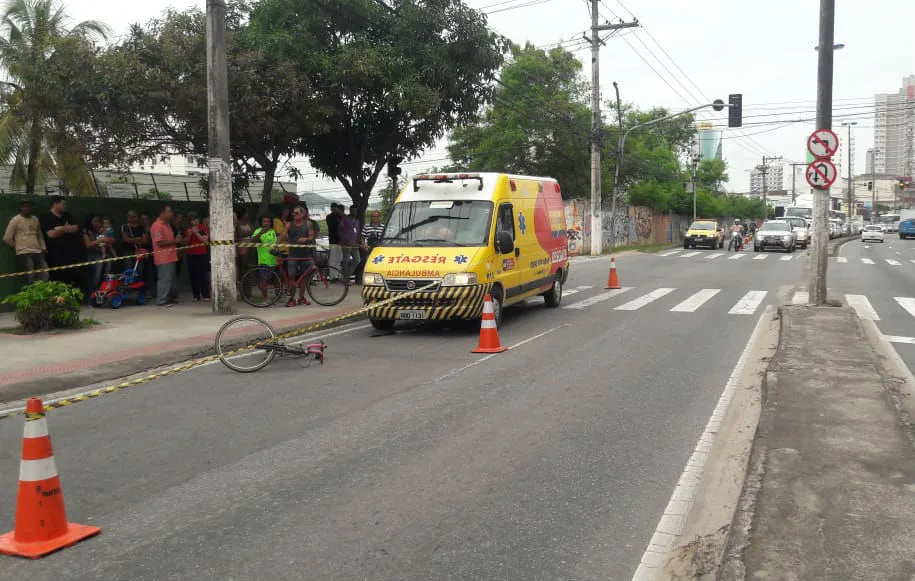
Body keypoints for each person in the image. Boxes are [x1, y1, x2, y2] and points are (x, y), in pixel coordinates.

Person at [40, 196, 84, 291]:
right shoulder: (46, 217)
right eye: (63, 204)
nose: (65, 206)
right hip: (54, 255)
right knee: (56, 279)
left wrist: (59, 229)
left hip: (69, 254)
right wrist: (64, 229)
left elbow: (75, 228)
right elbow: (51, 234)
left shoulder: (67, 216)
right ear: (55, 204)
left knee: (70, 278)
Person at [3, 200, 48, 284]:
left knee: (44, 274)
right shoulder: (16, 220)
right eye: (26, 206)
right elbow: (6, 239)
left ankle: (43, 295)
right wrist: (19, 247)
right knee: (30, 277)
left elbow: (39, 235)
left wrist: (43, 247)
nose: (29, 208)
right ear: (21, 207)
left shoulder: (35, 219)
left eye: (31, 206)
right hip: (24, 253)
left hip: (37, 252)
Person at [150, 205, 184, 307]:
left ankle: (170, 298)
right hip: (163, 258)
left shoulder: (167, 225)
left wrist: (176, 240)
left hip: (171, 256)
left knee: (171, 279)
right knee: (164, 279)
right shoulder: (157, 226)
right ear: (162, 212)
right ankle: (161, 300)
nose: (171, 213)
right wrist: (175, 241)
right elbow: (160, 242)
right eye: (169, 211)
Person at [283, 206, 315, 307]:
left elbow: (311, 236)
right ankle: (292, 299)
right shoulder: (289, 224)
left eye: (296, 213)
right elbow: (283, 235)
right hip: (293, 255)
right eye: (293, 213)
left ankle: (301, 298)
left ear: (303, 214)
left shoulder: (308, 224)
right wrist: (276, 244)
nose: (294, 215)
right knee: (291, 277)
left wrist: (306, 239)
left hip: (305, 254)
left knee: (304, 278)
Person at [121, 210, 153, 297]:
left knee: (140, 272)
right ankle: (128, 292)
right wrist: (138, 239)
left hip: (138, 252)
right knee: (128, 271)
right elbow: (125, 239)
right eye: (129, 216)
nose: (131, 218)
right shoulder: (124, 227)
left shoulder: (141, 228)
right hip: (128, 252)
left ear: (137, 217)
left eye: (133, 216)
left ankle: (139, 292)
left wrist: (133, 240)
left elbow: (145, 240)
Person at [183, 212, 211, 301]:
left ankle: (206, 295)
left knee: (203, 274)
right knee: (193, 275)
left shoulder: (203, 228)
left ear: (198, 220)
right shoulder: (187, 229)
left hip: (202, 254)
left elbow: (205, 240)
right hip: (191, 254)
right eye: (191, 220)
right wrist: (189, 235)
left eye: (195, 219)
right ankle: (196, 295)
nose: (193, 222)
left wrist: (196, 233)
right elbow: (185, 243)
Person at [82, 214, 113, 291]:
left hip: (103, 254)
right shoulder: (85, 230)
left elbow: (111, 240)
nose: (97, 223)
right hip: (92, 255)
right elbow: (88, 245)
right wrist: (99, 240)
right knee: (95, 276)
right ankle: (93, 293)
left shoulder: (101, 229)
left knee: (105, 275)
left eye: (98, 221)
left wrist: (107, 238)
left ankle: (102, 291)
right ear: (90, 222)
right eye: (95, 221)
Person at [252, 214, 279, 303]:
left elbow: (275, 243)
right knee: (264, 281)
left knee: (277, 280)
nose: (266, 223)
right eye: (264, 221)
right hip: (264, 260)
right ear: (261, 222)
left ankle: (277, 297)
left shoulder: (272, 231)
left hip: (274, 260)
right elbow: (252, 241)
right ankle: (265, 298)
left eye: (268, 221)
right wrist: (261, 233)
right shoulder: (258, 231)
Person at [339, 205, 361, 282]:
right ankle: (345, 278)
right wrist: (344, 240)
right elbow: (340, 230)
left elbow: (357, 232)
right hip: (346, 244)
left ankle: (346, 276)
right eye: (353, 211)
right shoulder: (345, 219)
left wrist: (358, 241)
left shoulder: (357, 221)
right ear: (350, 211)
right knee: (346, 260)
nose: (355, 212)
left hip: (354, 244)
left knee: (357, 260)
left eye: (356, 211)